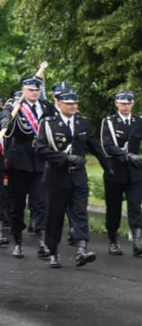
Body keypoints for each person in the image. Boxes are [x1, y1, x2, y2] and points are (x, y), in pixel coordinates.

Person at [34, 88, 110, 269]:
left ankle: (82, 250)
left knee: (80, 213)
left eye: (75, 103)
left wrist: (108, 166)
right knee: (55, 216)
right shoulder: (48, 123)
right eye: (69, 103)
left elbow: (93, 144)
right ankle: (53, 253)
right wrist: (65, 158)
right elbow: (41, 149)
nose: (73, 106)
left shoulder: (82, 122)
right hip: (56, 177)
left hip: (78, 176)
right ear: (59, 104)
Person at [1, 75, 57, 259]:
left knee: (40, 202)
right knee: (17, 204)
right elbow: (5, 119)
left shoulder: (46, 107)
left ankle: (42, 239)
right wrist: (5, 123)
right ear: (24, 90)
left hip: (40, 161)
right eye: (30, 90)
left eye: (37, 90)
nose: (34, 93)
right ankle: (18, 240)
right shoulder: (14, 105)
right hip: (19, 161)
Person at [100, 89, 142, 257]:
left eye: (128, 103)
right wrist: (128, 155)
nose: (125, 106)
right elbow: (107, 146)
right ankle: (113, 240)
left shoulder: (139, 121)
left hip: (134, 173)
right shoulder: (109, 122)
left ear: (133, 104)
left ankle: (137, 241)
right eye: (122, 103)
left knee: (135, 207)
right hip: (115, 171)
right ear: (116, 103)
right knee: (114, 208)